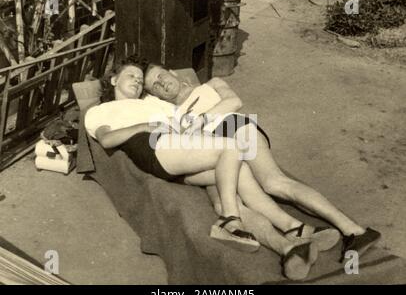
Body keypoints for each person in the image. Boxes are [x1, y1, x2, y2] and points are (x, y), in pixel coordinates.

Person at [84, 56, 320, 281]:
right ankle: (230, 221)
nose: (137, 80)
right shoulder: (101, 110)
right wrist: (145, 125)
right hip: (155, 147)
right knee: (229, 149)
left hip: (182, 149)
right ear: (114, 80)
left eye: (139, 78)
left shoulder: (152, 102)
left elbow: (185, 117)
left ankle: (288, 241)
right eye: (131, 75)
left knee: (237, 178)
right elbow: (107, 139)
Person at [143, 63, 381, 262]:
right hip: (216, 151)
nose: (162, 83)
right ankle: (295, 235)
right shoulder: (173, 114)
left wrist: (201, 119)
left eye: (161, 75)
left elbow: (234, 101)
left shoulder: (210, 85)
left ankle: (355, 231)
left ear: (173, 72)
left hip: (232, 127)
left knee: (274, 182)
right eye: (155, 85)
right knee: (231, 201)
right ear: (155, 94)